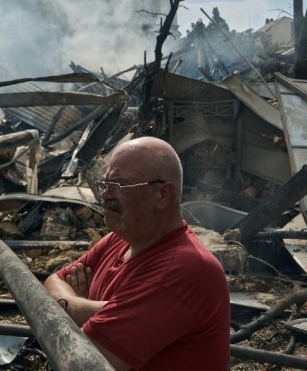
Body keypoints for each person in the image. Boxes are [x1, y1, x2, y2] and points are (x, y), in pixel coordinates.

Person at [44, 136, 230, 370]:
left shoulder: (185, 268)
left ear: (162, 195)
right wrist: (90, 307)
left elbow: (81, 361)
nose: (104, 195)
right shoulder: (118, 240)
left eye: (118, 186)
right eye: (105, 185)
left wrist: (71, 307)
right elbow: (53, 280)